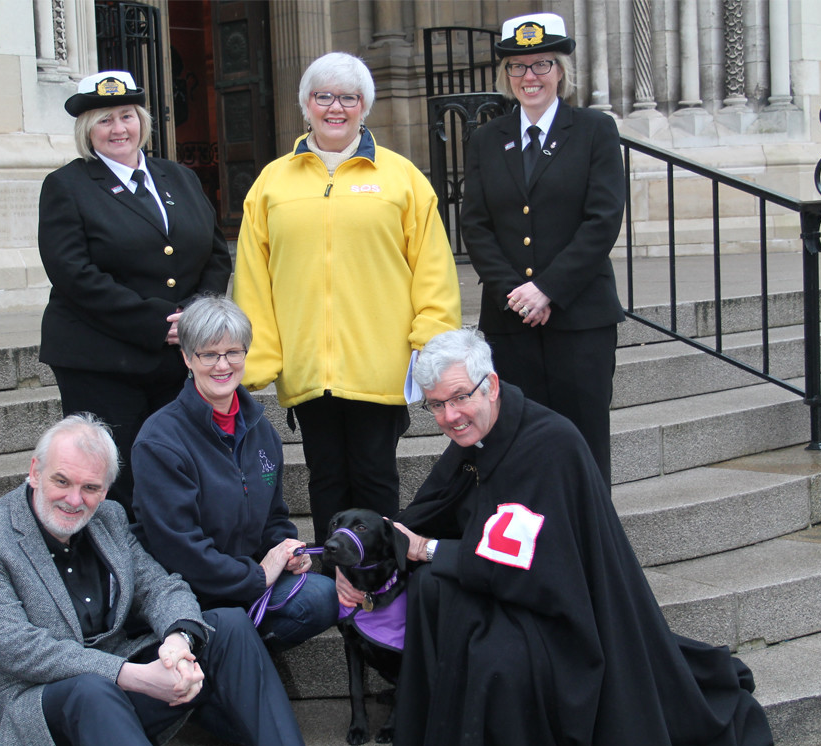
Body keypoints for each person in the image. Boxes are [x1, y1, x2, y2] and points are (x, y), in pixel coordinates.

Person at [336, 328, 774, 746]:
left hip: (560, 613)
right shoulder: (476, 438)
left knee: (495, 662)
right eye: (436, 405)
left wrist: (427, 550)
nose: (450, 416)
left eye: (459, 397)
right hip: (508, 590)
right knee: (433, 592)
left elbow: (517, 564)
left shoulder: (548, 444)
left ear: (490, 385)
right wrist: (355, 559)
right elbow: (419, 517)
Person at [0, 414, 307, 746]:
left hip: (111, 695)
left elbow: (160, 588)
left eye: (90, 488)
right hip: (18, 710)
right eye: (61, 481)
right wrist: (133, 676)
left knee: (227, 626)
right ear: (35, 471)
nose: (74, 500)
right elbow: (20, 650)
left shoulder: (108, 519)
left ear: (105, 491)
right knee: (91, 690)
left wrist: (179, 641)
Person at [233, 52, 461, 550]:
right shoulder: (271, 183)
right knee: (325, 482)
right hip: (308, 366)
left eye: (349, 98)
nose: (336, 108)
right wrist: (259, 358)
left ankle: (382, 596)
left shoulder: (402, 179)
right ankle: (335, 586)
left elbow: (433, 272)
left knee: (377, 482)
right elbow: (253, 280)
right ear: (306, 106)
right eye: (324, 97)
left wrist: (432, 343)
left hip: (380, 365)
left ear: (365, 107)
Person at [37, 70, 233, 515]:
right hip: (101, 359)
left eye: (127, 116)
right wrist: (155, 321)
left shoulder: (178, 177)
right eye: (104, 120)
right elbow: (72, 273)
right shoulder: (67, 186)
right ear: (87, 131)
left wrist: (195, 316)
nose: (118, 129)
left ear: (143, 121)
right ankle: (115, 568)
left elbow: (215, 254)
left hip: (171, 355)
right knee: (112, 473)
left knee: (168, 464)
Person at [460, 13, 626, 485]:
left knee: (584, 440)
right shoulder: (487, 139)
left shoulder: (595, 130)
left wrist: (547, 289)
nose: (529, 77)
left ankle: (588, 550)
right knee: (519, 441)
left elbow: (603, 219)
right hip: (511, 321)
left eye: (542, 64)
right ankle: (530, 549)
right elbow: (475, 224)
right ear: (506, 76)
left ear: (561, 71)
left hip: (579, 319)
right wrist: (516, 291)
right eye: (518, 67)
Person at [130, 295, 337, 653]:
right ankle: (224, 655)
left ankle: (231, 652)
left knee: (322, 597)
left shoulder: (261, 429)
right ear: (187, 358)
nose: (223, 365)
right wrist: (257, 575)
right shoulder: (160, 441)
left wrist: (286, 551)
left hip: (249, 581)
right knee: (232, 624)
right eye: (209, 354)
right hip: (190, 591)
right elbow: (180, 551)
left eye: (233, 352)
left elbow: (275, 517)